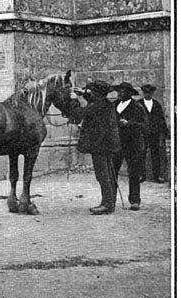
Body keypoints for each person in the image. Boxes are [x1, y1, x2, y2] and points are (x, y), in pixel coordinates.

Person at [67, 80, 121, 215]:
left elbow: (79, 113)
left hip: (100, 146)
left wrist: (76, 99)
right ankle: (110, 202)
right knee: (108, 173)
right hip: (107, 145)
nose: (90, 93)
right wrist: (83, 92)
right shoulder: (105, 104)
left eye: (92, 91)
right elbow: (91, 97)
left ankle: (107, 205)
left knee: (103, 175)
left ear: (97, 93)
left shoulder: (96, 106)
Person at [112, 82, 148, 210]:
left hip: (132, 144)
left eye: (122, 91)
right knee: (112, 172)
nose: (120, 93)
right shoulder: (114, 105)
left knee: (133, 172)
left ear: (129, 93)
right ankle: (110, 199)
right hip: (116, 144)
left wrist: (128, 123)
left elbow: (144, 125)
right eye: (119, 91)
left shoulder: (137, 107)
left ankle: (134, 200)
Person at [140, 84, 169, 183]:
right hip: (142, 133)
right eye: (145, 92)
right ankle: (141, 175)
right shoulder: (138, 104)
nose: (147, 94)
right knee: (141, 154)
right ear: (143, 93)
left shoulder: (156, 104)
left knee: (155, 155)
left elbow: (161, 120)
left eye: (149, 93)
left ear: (152, 93)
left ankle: (157, 176)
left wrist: (164, 133)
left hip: (154, 133)